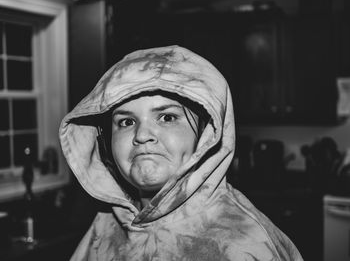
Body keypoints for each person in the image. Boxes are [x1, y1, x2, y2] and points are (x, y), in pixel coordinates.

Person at [59, 45, 303, 260]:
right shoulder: (107, 223)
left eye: (167, 117)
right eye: (126, 122)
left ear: (205, 134)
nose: (142, 135)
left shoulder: (246, 245)